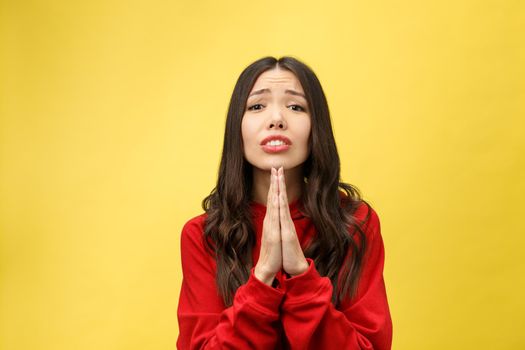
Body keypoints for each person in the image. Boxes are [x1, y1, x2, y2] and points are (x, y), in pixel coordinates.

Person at [176, 56, 393, 349]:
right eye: (256, 106)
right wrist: (263, 276)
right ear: (236, 130)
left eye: (295, 107)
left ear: (316, 128)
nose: (276, 119)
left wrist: (302, 275)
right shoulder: (202, 235)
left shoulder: (355, 224)